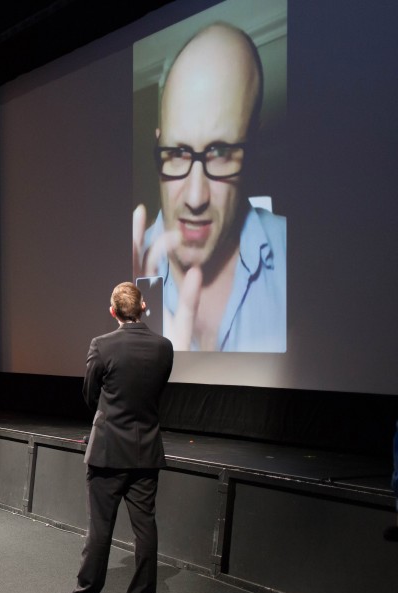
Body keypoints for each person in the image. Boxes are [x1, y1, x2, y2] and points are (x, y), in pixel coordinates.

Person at [133, 22, 286, 352]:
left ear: (253, 149)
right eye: (177, 153)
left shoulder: (305, 258)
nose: (194, 198)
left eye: (220, 153)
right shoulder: (115, 278)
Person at [52, 282, 174, 593]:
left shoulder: (102, 345)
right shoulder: (164, 347)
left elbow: (90, 394)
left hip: (107, 450)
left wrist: (109, 409)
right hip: (146, 450)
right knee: (145, 529)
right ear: (143, 306)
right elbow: (156, 392)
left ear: (113, 311)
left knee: (100, 528)